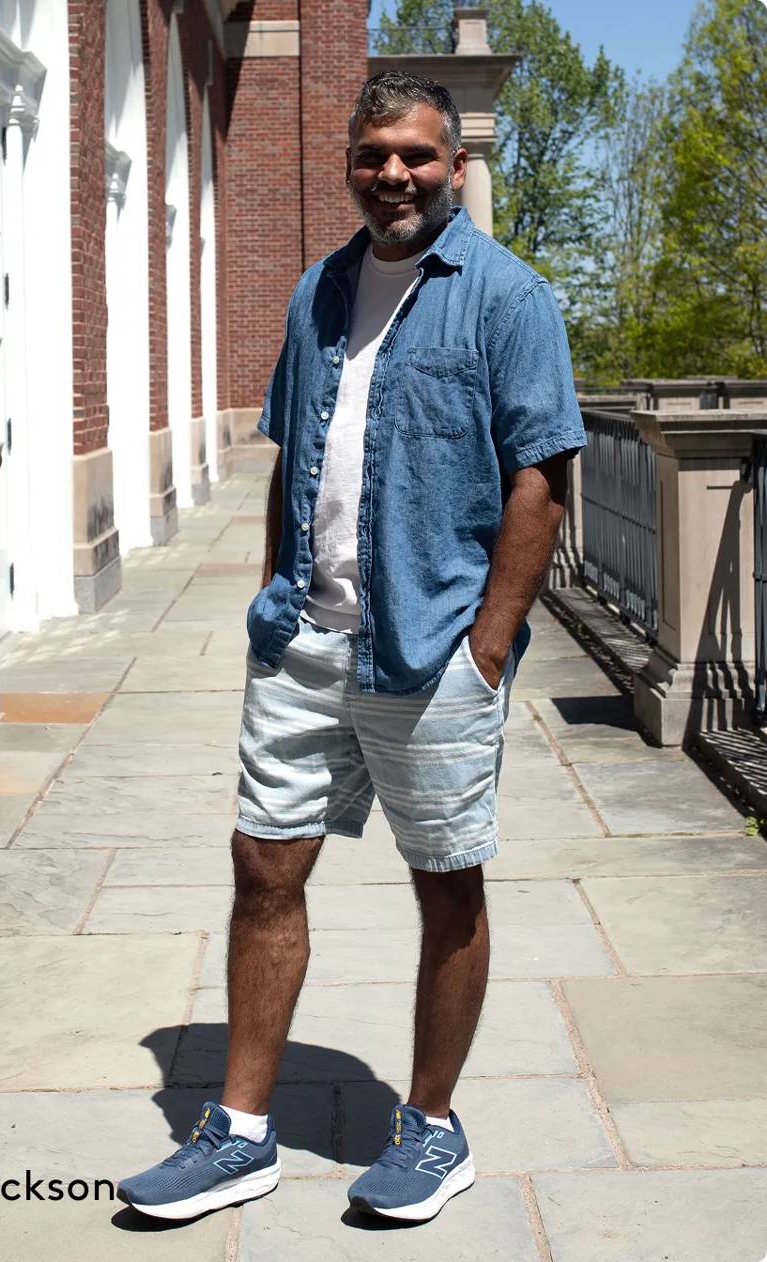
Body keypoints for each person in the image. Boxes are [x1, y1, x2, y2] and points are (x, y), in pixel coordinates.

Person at [118, 70, 586, 1225]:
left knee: (447, 884)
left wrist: (487, 649)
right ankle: (238, 1132)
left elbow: (542, 479)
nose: (395, 174)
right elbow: (296, 452)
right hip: (305, 642)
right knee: (263, 867)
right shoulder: (319, 291)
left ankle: (430, 1124)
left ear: (454, 164)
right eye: (374, 154)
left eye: (417, 155)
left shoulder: (508, 297)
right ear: (350, 163)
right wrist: (276, 594)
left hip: (432, 653)